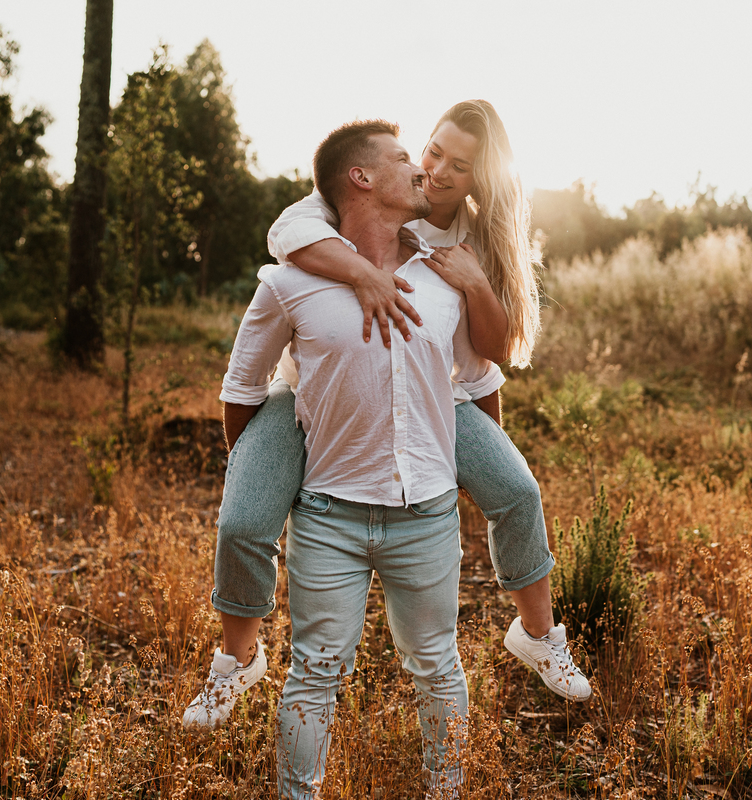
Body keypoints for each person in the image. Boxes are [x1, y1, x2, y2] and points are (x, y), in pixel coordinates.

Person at [183, 101, 589, 736]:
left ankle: (538, 635)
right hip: (311, 397)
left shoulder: (473, 240)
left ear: (483, 179)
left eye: (460, 166)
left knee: (516, 488)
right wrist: (364, 275)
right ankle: (238, 655)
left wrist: (475, 451)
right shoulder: (343, 203)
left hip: (436, 399)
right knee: (243, 517)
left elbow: (486, 361)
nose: (436, 171)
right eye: (431, 152)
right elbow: (286, 240)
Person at [221, 119, 480, 796]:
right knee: (316, 672)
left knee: (437, 668)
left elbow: (479, 383)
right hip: (328, 517)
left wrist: (485, 481)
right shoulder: (290, 283)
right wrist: (259, 483)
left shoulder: (443, 278)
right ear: (360, 178)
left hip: (425, 515)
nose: (420, 168)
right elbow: (242, 389)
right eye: (402, 158)